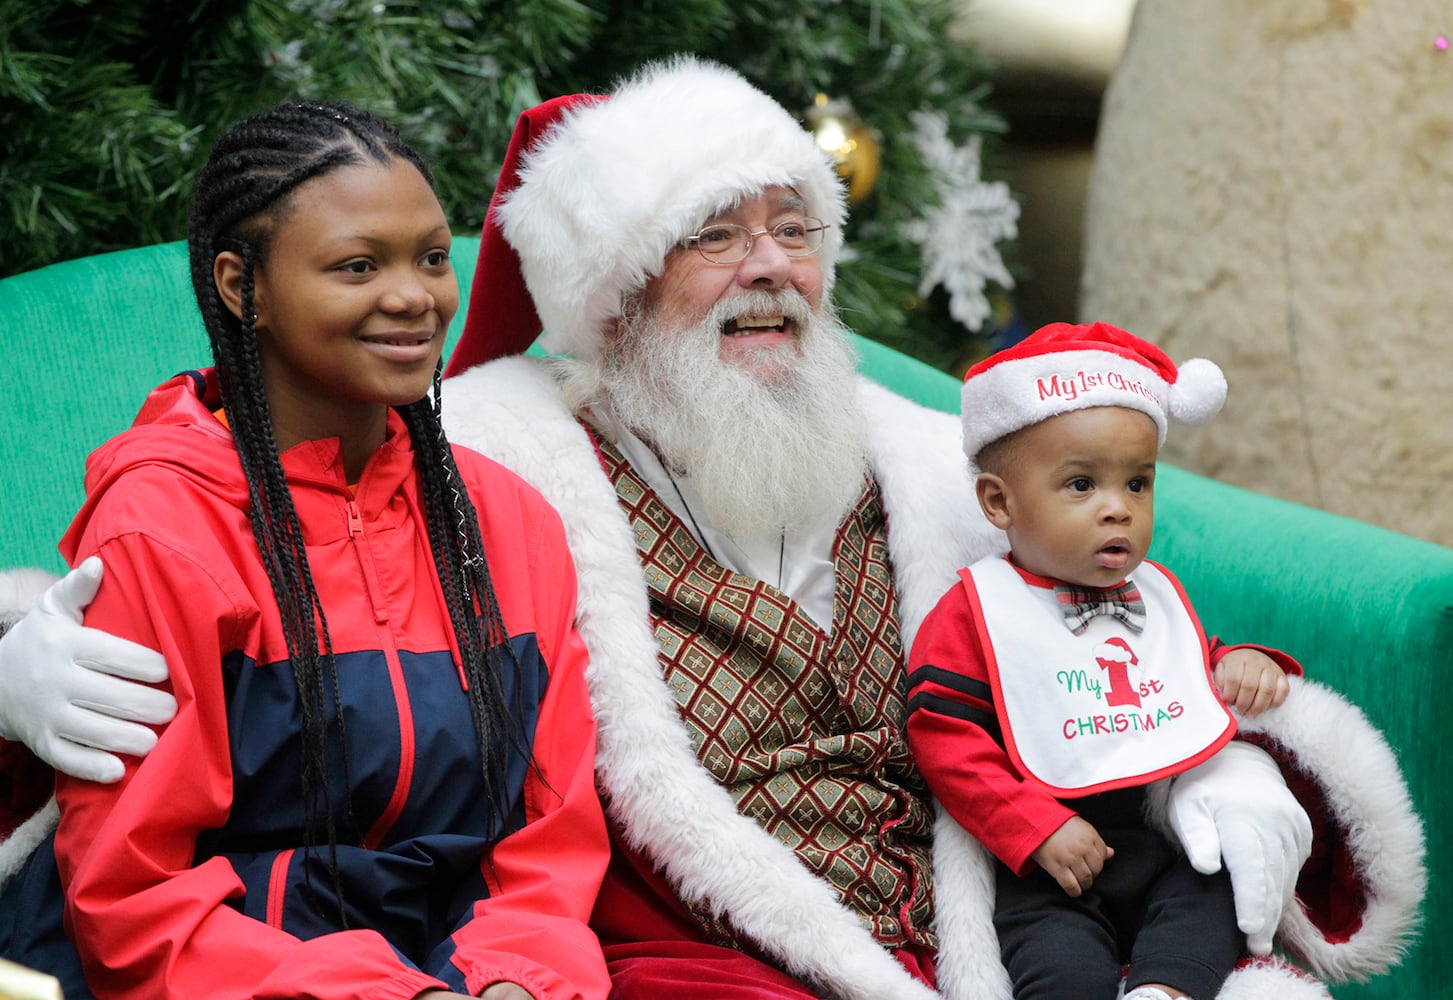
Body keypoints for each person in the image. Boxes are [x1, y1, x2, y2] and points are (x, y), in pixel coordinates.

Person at [0, 57, 1424, 1000]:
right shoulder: (511, 458)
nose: (770, 272)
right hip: (706, 949)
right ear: (615, 286)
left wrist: (1220, 762)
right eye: (713, 234)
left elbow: (1109, 617)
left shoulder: (943, 464)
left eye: (793, 227)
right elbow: (157, 565)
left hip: (998, 925)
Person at [0, 100, 610, 1000]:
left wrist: (516, 978)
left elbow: (547, 839)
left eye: (432, 258)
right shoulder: (163, 527)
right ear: (243, 286)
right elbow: (133, 898)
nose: (413, 296)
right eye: (357, 265)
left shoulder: (507, 519)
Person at [905, 321, 1298, 1000]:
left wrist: (1241, 660)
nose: (1117, 509)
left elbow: (1183, 663)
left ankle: (1164, 990)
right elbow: (943, 733)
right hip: (1046, 861)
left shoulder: (1153, 594)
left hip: (1157, 839)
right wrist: (1032, 826)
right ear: (999, 501)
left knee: (1214, 891)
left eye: (1137, 485)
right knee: (1055, 960)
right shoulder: (978, 611)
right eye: (1081, 485)